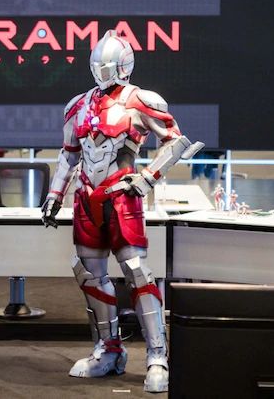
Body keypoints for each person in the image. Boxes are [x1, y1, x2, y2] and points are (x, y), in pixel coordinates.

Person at [41, 30, 203, 393]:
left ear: (123, 65)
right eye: (97, 64)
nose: (102, 71)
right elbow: (69, 155)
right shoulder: (78, 105)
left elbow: (175, 142)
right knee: (89, 273)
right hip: (86, 198)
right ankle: (108, 349)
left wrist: (146, 178)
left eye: (108, 65)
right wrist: (54, 194)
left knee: (136, 271)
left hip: (122, 195)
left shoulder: (140, 100)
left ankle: (157, 356)